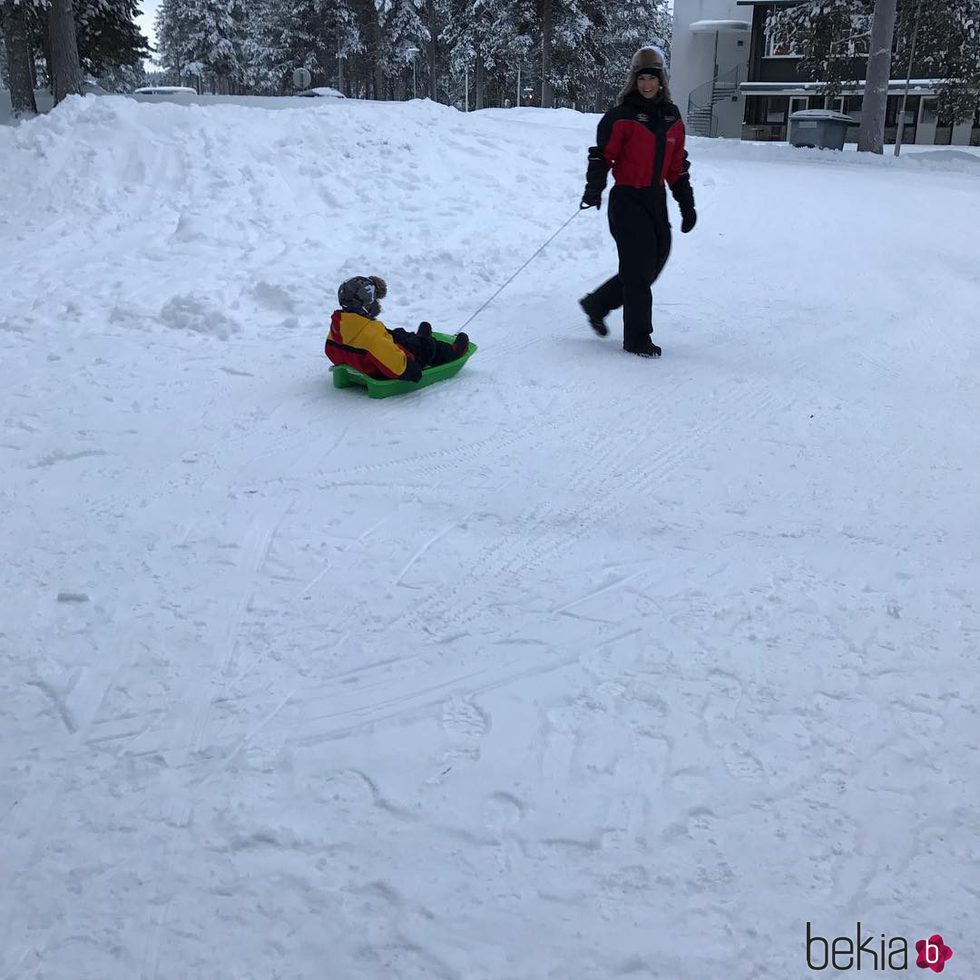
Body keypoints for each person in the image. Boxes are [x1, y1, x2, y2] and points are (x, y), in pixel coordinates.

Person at [578, 45, 697, 358]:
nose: (646, 84)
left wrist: (687, 204)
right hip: (627, 199)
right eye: (641, 78)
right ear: (633, 80)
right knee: (639, 268)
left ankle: (597, 303)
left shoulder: (672, 117)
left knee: (651, 266)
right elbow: (603, 155)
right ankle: (637, 338)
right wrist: (594, 188)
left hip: (655, 199)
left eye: (652, 78)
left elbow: (676, 166)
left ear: (662, 81)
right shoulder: (621, 117)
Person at [325, 276, 469, 382]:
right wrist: (415, 366)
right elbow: (401, 369)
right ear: (367, 305)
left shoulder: (339, 326)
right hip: (380, 368)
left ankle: (415, 339)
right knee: (427, 346)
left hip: (363, 359)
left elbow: (330, 351)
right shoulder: (373, 339)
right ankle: (451, 350)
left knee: (395, 334)